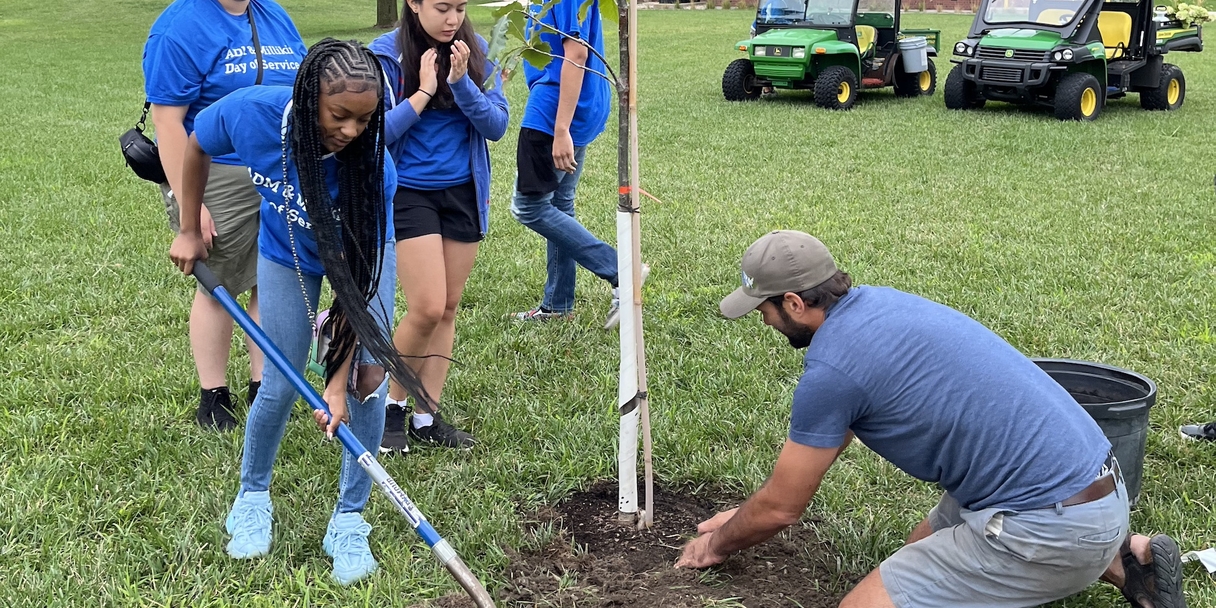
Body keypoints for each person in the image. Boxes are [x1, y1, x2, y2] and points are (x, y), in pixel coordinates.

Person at [676, 230, 1186, 608]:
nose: (763, 321)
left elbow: (782, 508)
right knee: (920, 548)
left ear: (793, 302)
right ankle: (1129, 563)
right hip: (1100, 484)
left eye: (763, 308)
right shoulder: (881, 306)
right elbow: (824, 450)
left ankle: (1085, 558)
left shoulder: (831, 370)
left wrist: (717, 544)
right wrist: (748, 515)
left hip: (1047, 527)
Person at [169, 39, 433, 586]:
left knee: (365, 383)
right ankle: (252, 494)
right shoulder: (251, 115)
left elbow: (355, 297)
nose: (354, 131)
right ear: (309, 95)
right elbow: (195, 145)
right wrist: (191, 228)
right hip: (285, 250)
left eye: (366, 119)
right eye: (341, 116)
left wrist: (336, 381)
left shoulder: (374, 171)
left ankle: (350, 518)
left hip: (360, 260)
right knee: (281, 380)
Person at [143, 0, 306, 430]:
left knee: (270, 277)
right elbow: (167, 122)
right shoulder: (179, 26)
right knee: (221, 280)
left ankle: (263, 386)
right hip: (214, 167)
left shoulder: (273, 15)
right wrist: (191, 208)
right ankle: (213, 396)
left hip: (275, 167)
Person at [369, 0, 508, 453]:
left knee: (447, 308)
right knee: (426, 307)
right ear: (413, 3)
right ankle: (391, 407)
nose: (452, 19)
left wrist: (460, 83)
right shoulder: (385, 56)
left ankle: (427, 417)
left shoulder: (477, 49)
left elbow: (497, 125)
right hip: (408, 191)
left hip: (463, 192)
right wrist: (424, 92)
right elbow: (373, 133)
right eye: (442, 8)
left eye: (460, 8)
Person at [507, 0, 647, 328]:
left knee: (528, 207)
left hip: (554, 113)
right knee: (559, 204)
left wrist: (560, 130)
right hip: (577, 108)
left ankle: (622, 272)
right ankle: (557, 305)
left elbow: (577, 53)